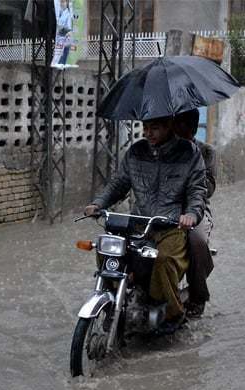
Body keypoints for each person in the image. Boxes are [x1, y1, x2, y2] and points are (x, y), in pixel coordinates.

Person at [84, 116, 207, 331]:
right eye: (145, 127)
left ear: (169, 127)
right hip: (138, 223)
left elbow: (197, 191)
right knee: (107, 250)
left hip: (171, 226)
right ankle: (113, 302)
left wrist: (191, 214)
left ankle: (172, 313)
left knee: (164, 259)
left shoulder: (189, 153)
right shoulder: (136, 152)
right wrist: (98, 203)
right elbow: (119, 184)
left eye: (155, 128)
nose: (148, 133)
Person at [173, 109, 216, 318]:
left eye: (184, 127)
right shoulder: (164, 150)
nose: (179, 132)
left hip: (196, 210)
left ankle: (198, 296)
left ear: (193, 128)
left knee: (196, 240)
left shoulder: (205, 152)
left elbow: (208, 188)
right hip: (164, 209)